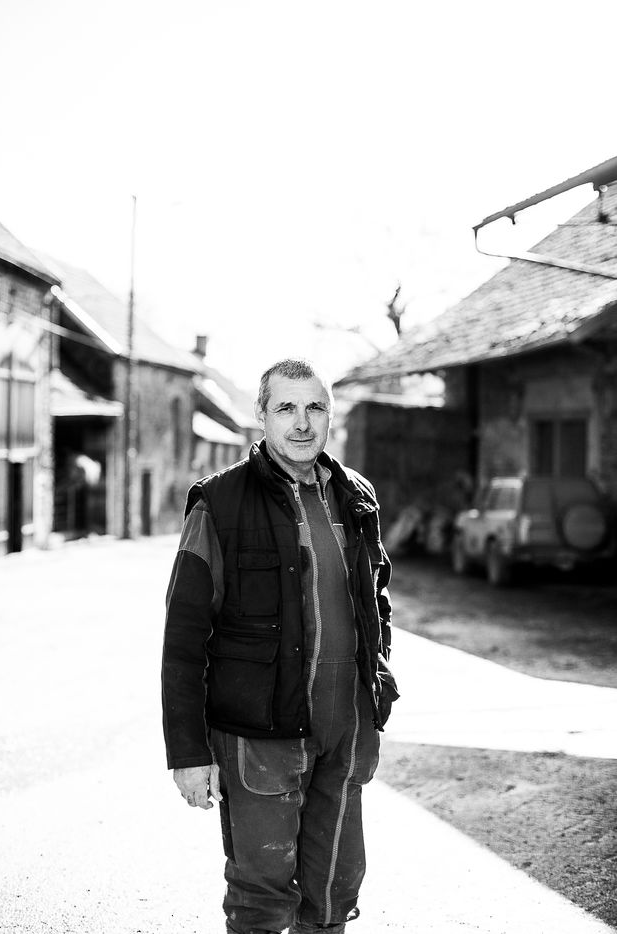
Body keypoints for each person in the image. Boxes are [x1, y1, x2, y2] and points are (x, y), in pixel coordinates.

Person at [161, 358, 398, 934]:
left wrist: (379, 682)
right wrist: (188, 753)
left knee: (336, 888)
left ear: (330, 416)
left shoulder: (356, 496)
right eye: (286, 407)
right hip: (258, 736)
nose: (302, 422)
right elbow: (184, 637)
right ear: (262, 415)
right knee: (261, 896)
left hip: (346, 730)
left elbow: (377, 602)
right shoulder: (220, 503)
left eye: (315, 407)